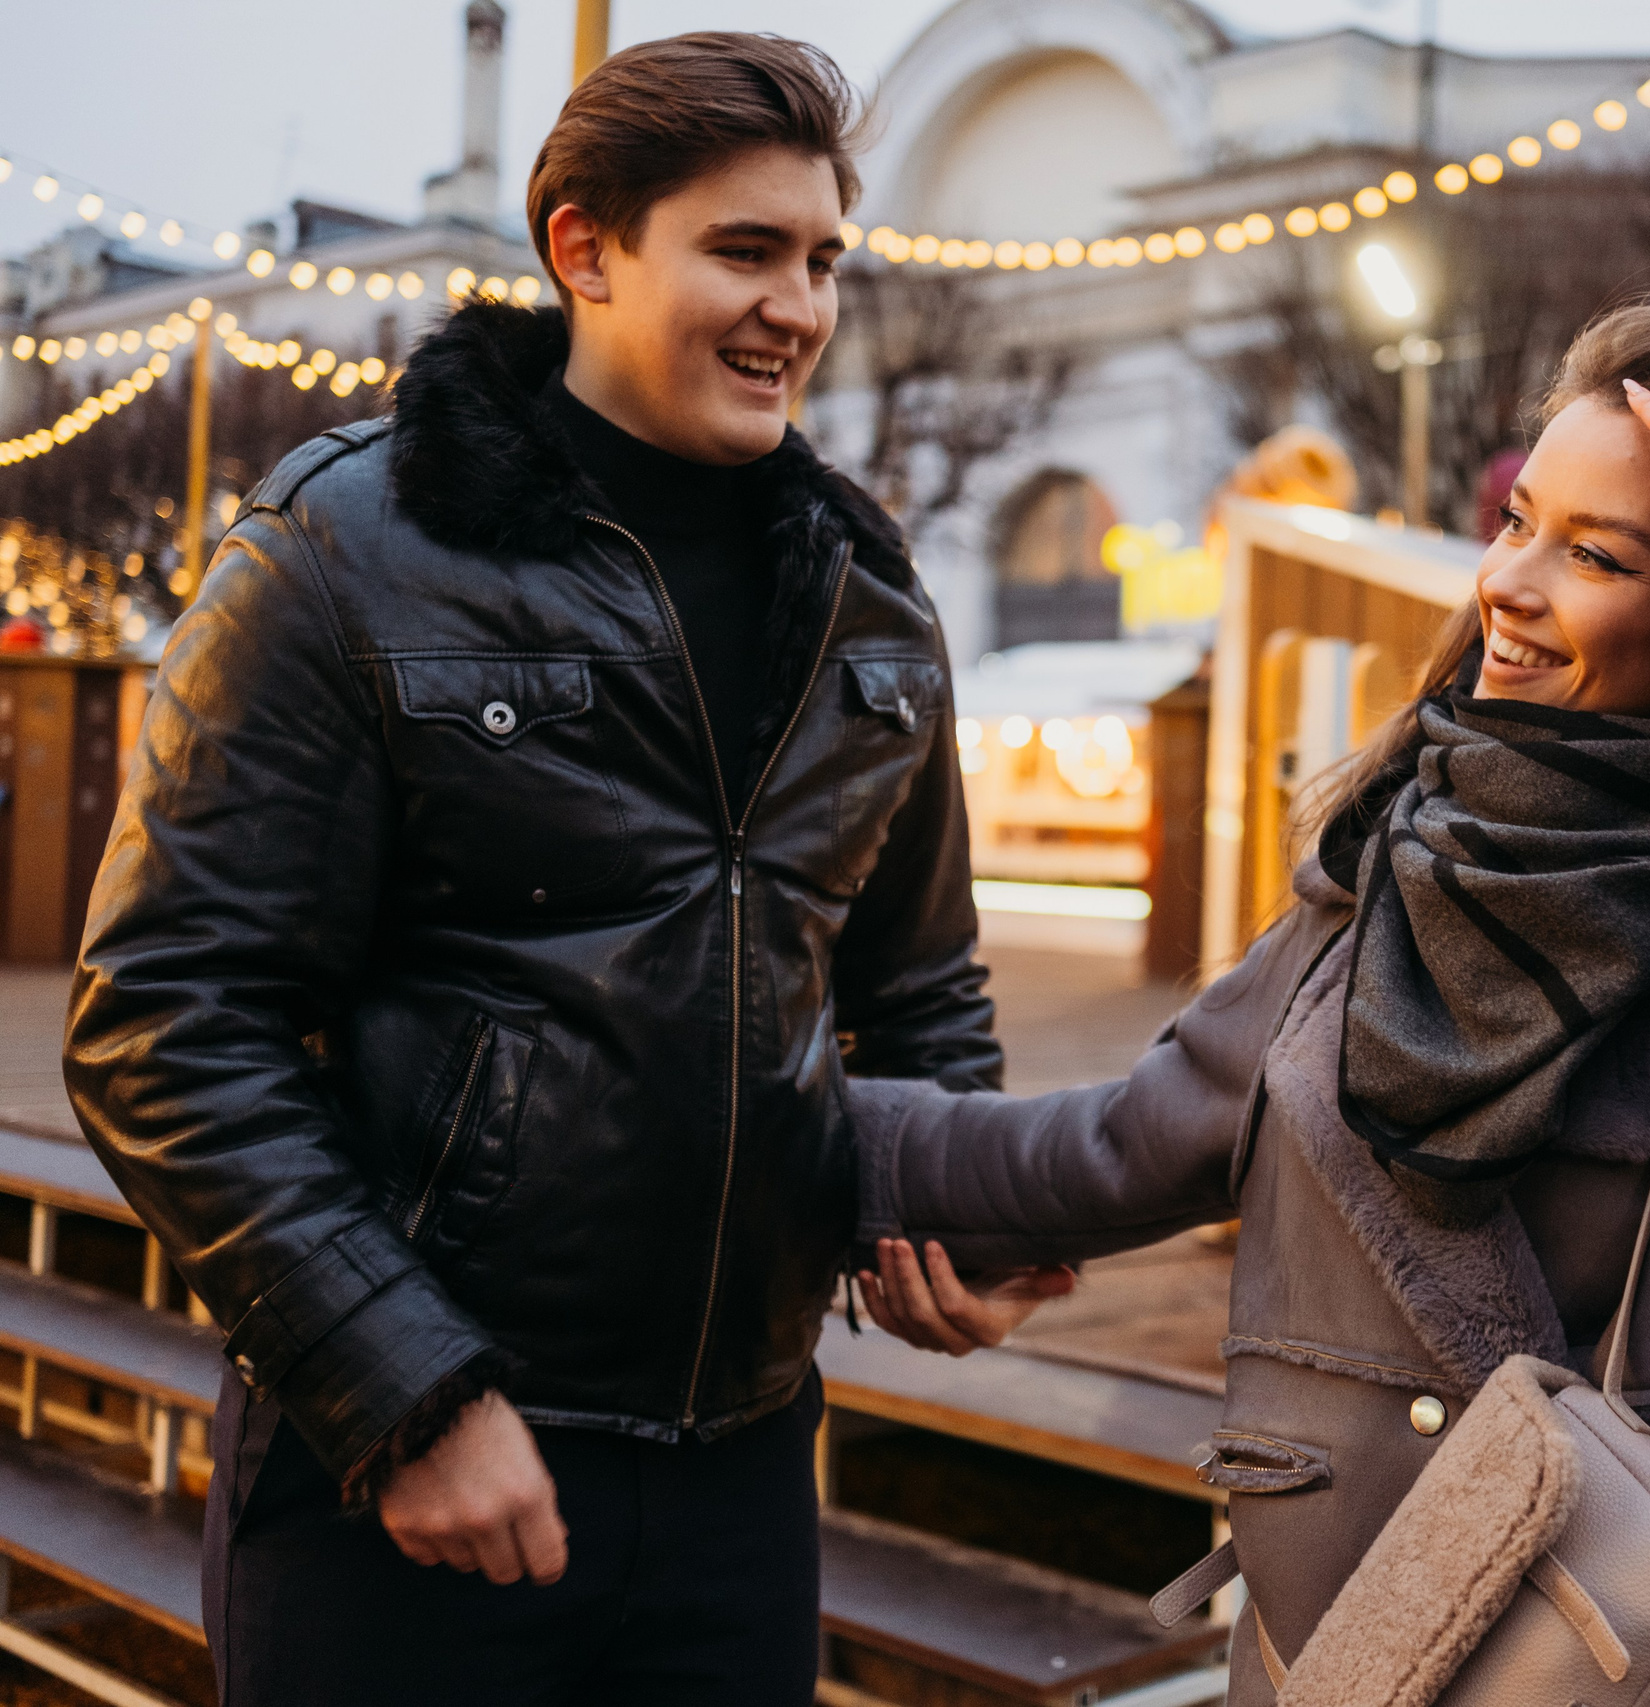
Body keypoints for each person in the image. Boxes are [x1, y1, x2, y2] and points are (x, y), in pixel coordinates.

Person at [852, 303, 1650, 1705]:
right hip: (1378, 1648)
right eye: (1518, 519)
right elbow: (1115, 1147)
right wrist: (796, 1143)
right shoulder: (1394, 854)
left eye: (1597, 554)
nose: (1508, 582)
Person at [64, 33, 1061, 1705]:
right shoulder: (340, 551)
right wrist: (405, 1395)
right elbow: (164, 1016)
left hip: (746, 1466)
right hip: (413, 1465)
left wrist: (943, 1202)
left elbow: (921, 985)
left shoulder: (872, 602)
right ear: (583, 247)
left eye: (820, 259)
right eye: (743, 251)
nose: (797, 308)